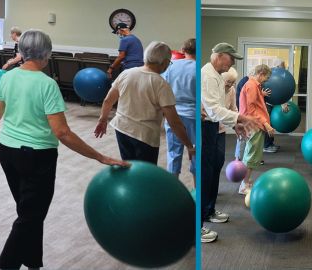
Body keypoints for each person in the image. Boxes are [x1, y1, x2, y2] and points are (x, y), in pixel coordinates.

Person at [0, 30, 130, 270]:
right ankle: (6, 265)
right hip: (36, 157)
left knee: (29, 213)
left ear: (22, 52)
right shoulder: (47, 85)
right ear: (47, 54)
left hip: (8, 151)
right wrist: (99, 156)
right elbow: (62, 133)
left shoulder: (8, 77)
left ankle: (33, 263)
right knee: (30, 216)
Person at [95, 41, 195, 164]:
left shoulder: (126, 73)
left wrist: (102, 120)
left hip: (122, 129)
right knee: (146, 173)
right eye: (169, 62)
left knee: (129, 166)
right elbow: (174, 121)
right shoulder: (161, 84)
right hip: (145, 136)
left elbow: (108, 100)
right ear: (163, 62)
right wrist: (189, 145)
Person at [201, 42, 259, 243]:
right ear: (220, 55)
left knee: (215, 168)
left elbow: (223, 109)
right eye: (231, 58)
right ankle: (198, 225)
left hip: (217, 128)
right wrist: (243, 119)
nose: (232, 63)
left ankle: (209, 211)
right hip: (206, 128)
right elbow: (213, 110)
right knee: (205, 173)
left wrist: (236, 124)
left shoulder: (217, 76)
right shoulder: (207, 75)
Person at [162, 38, 197, 186]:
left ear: (183, 50)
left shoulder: (171, 67)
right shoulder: (198, 68)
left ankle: (171, 191)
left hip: (173, 115)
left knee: (173, 153)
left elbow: (162, 88)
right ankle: (197, 190)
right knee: (196, 153)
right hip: (193, 117)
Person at [238, 64, 275, 195]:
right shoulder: (252, 86)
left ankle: (245, 182)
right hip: (254, 125)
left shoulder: (254, 86)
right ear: (261, 73)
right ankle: (244, 185)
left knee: (251, 154)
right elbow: (252, 110)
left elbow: (255, 105)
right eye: (266, 77)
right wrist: (266, 124)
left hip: (254, 125)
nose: (266, 80)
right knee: (251, 156)